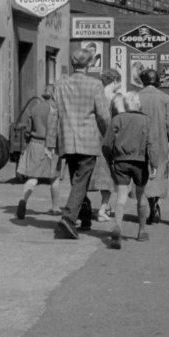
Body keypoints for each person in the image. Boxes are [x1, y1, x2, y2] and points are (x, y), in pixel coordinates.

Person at [45, 48, 111, 240]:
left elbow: (53, 114)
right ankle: (69, 218)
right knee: (81, 181)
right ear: (89, 64)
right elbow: (104, 116)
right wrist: (109, 137)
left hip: (66, 140)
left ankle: (85, 216)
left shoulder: (60, 84)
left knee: (77, 180)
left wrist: (50, 143)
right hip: (89, 140)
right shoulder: (95, 85)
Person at [101, 91, 158, 249]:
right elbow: (151, 144)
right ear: (138, 104)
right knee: (141, 196)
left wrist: (110, 157)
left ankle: (117, 227)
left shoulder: (117, 119)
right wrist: (154, 164)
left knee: (121, 197)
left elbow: (106, 144)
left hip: (121, 161)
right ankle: (141, 231)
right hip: (140, 162)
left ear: (125, 105)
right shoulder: (147, 120)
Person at [138, 69, 169, 225]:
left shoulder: (136, 96)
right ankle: (156, 204)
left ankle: (149, 205)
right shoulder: (164, 98)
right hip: (160, 142)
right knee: (159, 175)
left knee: (144, 177)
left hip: (140, 142)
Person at [15, 84, 62, 219]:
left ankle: (23, 200)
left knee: (32, 178)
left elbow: (28, 129)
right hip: (51, 146)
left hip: (35, 144)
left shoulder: (35, 108)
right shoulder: (56, 108)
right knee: (54, 177)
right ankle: (55, 207)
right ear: (54, 94)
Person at [89, 69, 124, 222]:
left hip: (90, 140)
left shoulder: (94, 96)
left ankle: (86, 207)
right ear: (115, 81)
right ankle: (103, 208)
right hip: (107, 141)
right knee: (108, 178)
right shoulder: (116, 98)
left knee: (87, 176)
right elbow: (123, 119)